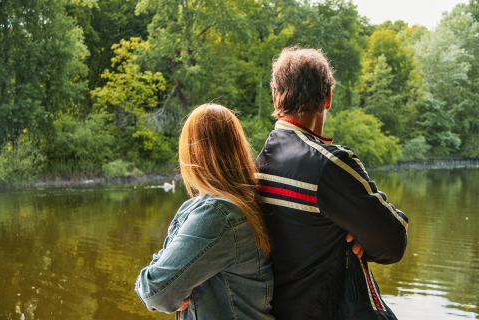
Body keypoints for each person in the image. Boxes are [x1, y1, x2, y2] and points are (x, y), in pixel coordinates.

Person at [256, 47, 408, 320]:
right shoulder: (330, 165)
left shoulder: (255, 168)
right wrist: (363, 232)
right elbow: (394, 242)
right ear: (328, 97)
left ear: (275, 96)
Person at [135, 104, 274, 320]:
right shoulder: (237, 202)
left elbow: (156, 291)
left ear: (190, 152)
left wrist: (164, 285)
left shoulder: (219, 215)